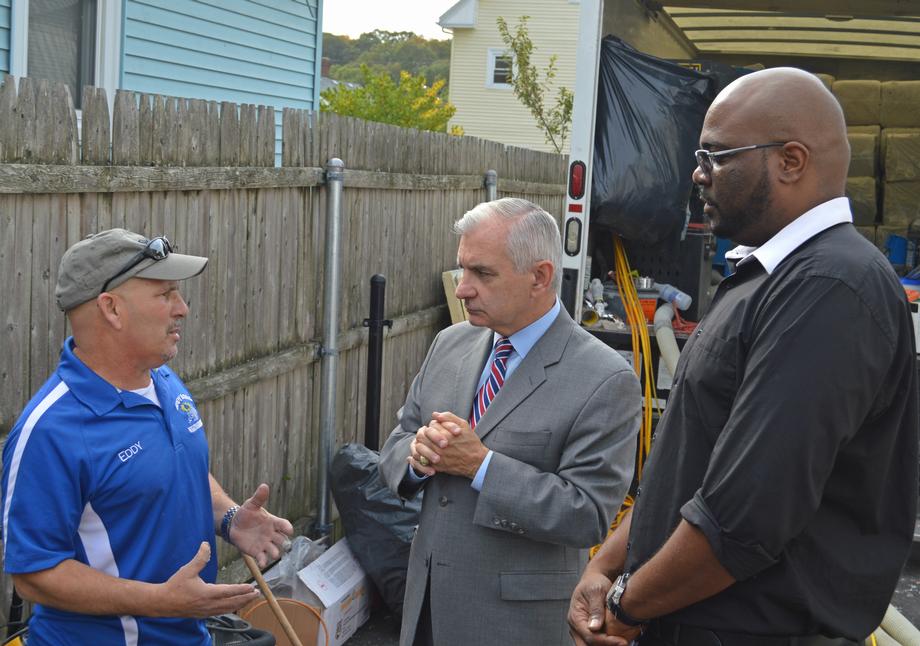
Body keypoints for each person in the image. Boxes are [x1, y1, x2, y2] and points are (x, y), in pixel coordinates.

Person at [568, 67, 919, 646]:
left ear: (791, 161)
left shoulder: (830, 287)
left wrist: (625, 604)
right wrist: (605, 563)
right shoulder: (769, 276)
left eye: (716, 155)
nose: (697, 172)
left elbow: (743, 519)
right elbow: (694, 464)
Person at [2, 229, 294, 645]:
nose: (183, 309)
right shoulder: (50, 431)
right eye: (165, 295)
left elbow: (176, 472)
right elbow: (34, 574)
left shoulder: (164, 381)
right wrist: (161, 601)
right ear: (112, 309)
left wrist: (229, 518)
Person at [377, 197, 642, 646]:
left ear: (540, 276)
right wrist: (417, 458)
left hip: (514, 625)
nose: (462, 289)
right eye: (462, 269)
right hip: (425, 612)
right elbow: (397, 442)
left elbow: (587, 514)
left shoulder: (604, 378)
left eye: (482, 273)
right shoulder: (450, 343)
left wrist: (481, 466)